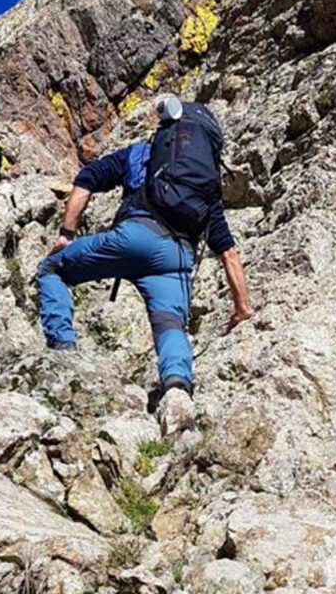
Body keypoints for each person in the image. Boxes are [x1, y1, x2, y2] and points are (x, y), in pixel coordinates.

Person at [36, 96, 252, 425]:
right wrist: (242, 309)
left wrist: (67, 232)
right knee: (170, 325)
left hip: (134, 238)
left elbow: (86, 181)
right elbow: (229, 253)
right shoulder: (205, 186)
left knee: (52, 269)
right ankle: (177, 389)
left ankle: (63, 348)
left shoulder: (139, 154)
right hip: (175, 260)